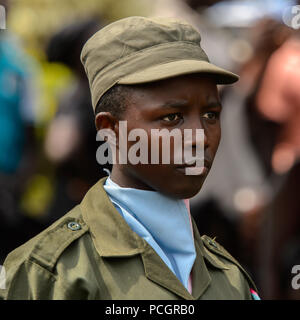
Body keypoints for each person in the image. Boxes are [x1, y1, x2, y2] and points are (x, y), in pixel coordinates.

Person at [0, 16, 259, 300]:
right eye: (172, 117)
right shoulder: (53, 273)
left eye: (211, 114)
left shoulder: (230, 277)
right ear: (111, 129)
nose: (199, 136)